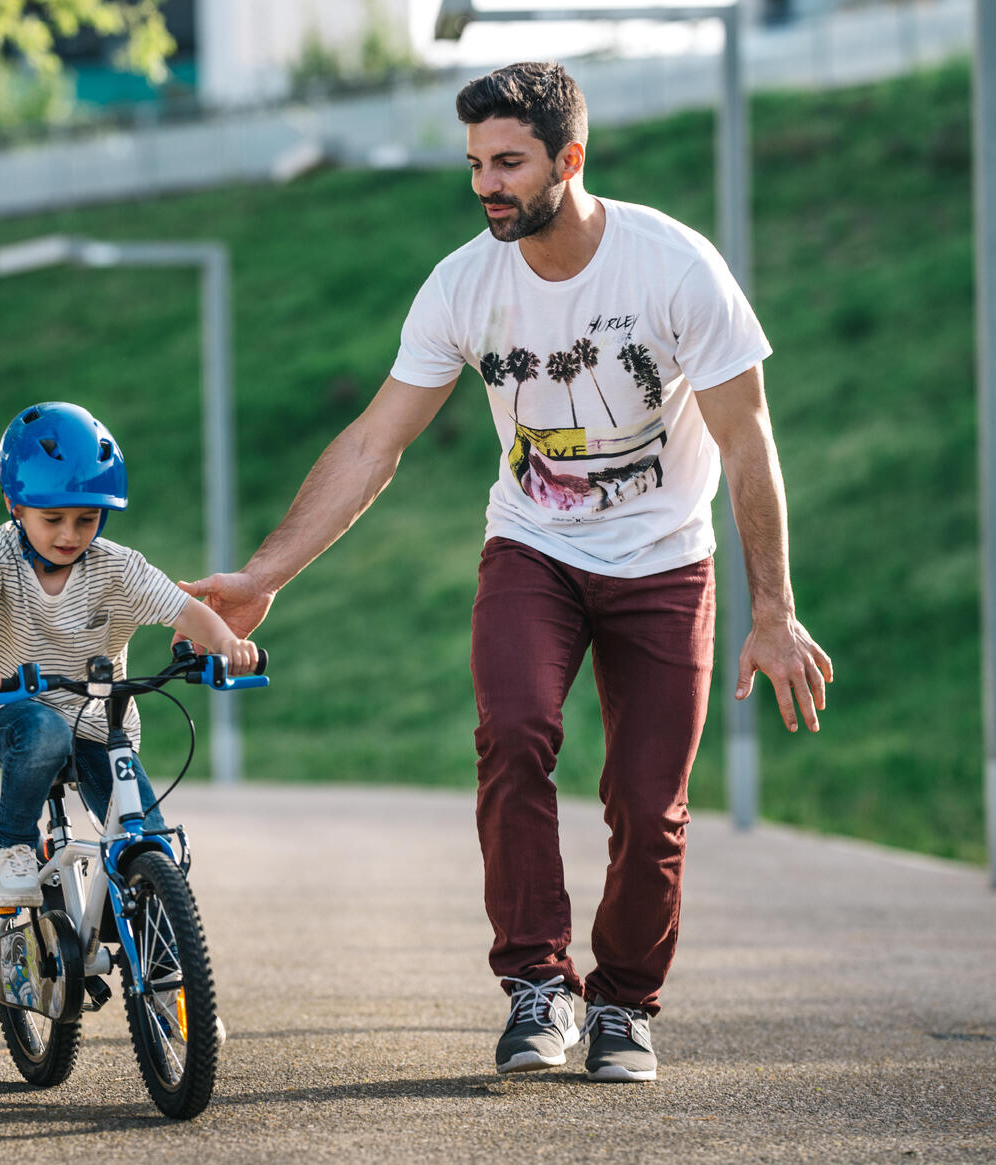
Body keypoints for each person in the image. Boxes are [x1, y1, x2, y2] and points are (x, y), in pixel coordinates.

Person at [181, 62, 833, 1083]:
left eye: (510, 163)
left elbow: (748, 443)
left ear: (569, 161)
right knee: (515, 735)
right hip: (535, 545)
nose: (486, 184)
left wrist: (775, 611)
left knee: (647, 801)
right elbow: (373, 444)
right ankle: (538, 985)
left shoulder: (674, 268)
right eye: (476, 162)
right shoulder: (463, 284)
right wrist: (269, 573)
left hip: (667, 562)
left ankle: (622, 1005)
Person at [0, 402, 259, 907]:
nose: (70, 535)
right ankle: (13, 849)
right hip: (11, 710)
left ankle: (156, 949)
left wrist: (226, 645)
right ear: (14, 504)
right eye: (53, 518)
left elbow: (185, 611)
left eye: (87, 518)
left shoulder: (116, 566)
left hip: (96, 719)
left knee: (145, 837)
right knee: (45, 732)